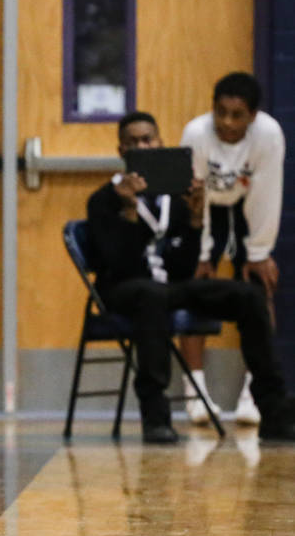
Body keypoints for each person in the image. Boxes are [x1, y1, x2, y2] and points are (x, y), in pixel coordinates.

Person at [86, 110, 295, 444]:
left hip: (169, 287)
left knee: (250, 296)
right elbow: (119, 265)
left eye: (149, 139)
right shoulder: (102, 200)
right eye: (134, 142)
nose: (144, 145)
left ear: (161, 143)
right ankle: (156, 418)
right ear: (122, 151)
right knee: (150, 295)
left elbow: (183, 269)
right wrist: (127, 212)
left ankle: (274, 411)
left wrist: (196, 221)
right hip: (123, 291)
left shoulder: (177, 196)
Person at [180, 73, 286, 426]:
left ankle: (252, 397)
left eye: (236, 115)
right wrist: (203, 254)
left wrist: (259, 252)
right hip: (204, 211)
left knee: (259, 290)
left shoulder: (269, 135)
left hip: (242, 210)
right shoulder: (196, 134)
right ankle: (195, 395)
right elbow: (194, 197)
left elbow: (267, 196)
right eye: (220, 112)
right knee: (194, 291)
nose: (226, 122)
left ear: (253, 116)